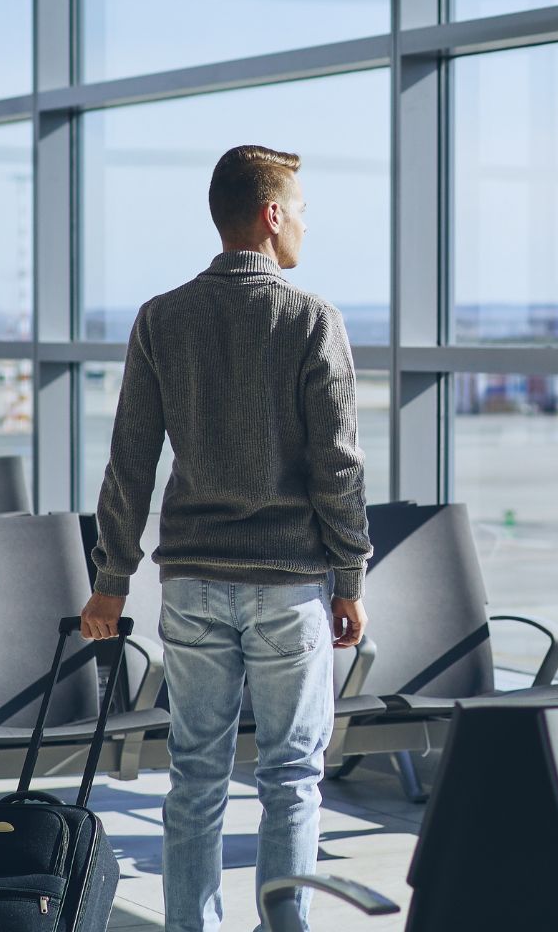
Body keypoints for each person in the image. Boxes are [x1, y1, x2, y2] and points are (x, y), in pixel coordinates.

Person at [79, 144, 373, 932]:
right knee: (290, 778)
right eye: (303, 209)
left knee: (196, 779)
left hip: (194, 582)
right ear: (272, 215)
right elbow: (337, 468)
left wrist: (112, 578)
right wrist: (349, 579)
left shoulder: (162, 317)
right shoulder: (314, 319)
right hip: (288, 585)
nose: (309, 223)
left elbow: (130, 460)